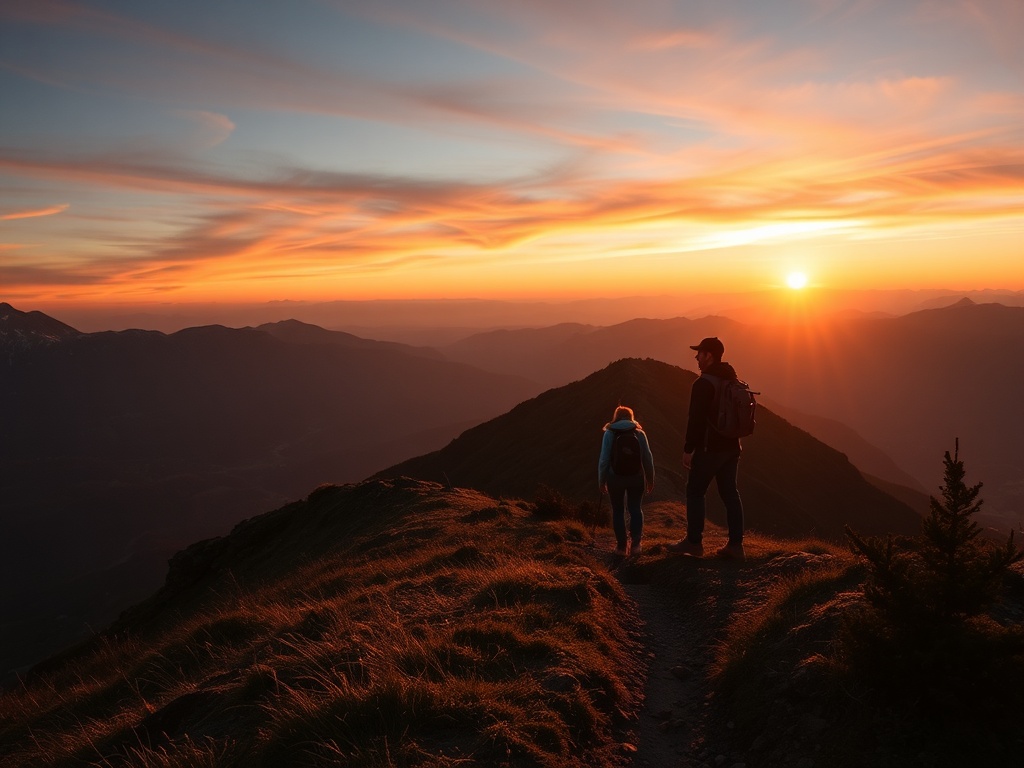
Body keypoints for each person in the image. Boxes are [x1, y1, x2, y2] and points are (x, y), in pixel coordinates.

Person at [669, 337, 746, 560]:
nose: (696, 357)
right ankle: (736, 545)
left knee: (695, 491)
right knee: (730, 493)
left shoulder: (703, 384)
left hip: (709, 448)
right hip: (732, 447)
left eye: (700, 353)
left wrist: (688, 449)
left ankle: (693, 543)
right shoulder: (731, 379)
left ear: (709, 355)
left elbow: (696, 420)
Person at [598, 406, 655, 556]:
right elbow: (648, 459)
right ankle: (636, 545)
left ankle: (621, 547)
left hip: (615, 477)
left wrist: (601, 480)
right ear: (631, 417)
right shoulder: (639, 433)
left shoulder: (610, 433)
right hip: (636, 478)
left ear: (616, 417)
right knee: (635, 508)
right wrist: (650, 479)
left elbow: (604, 460)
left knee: (618, 511)